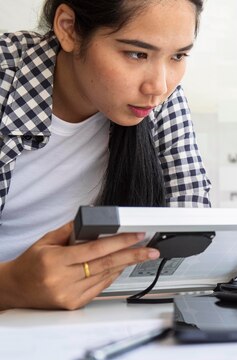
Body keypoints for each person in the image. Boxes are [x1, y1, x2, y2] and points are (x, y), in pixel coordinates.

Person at [0, 0, 210, 310]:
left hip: (92, 313)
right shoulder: (6, 77)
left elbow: (188, 218)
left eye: (178, 56)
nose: (159, 86)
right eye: (136, 54)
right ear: (69, 29)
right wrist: (10, 287)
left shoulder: (162, 99)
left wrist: (226, 267)